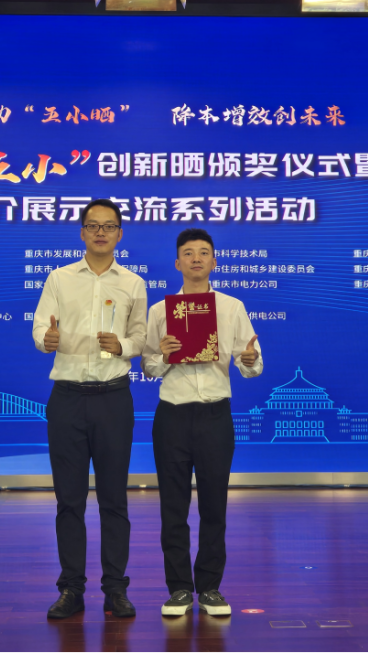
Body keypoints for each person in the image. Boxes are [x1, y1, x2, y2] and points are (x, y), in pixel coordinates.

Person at [32, 199, 147, 619]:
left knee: (114, 499)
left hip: (113, 398)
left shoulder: (133, 283)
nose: (101, 232)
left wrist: (124, 346)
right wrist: (45, 339)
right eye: (93, 226)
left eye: (109, 226)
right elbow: (40, 326)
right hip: (67, 398)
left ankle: (115, 588)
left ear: (120, 234)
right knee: (69, 500)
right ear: (82, 233)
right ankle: (71, 589)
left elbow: (141, 337)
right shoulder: (59, 278)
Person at [141, 228, 263, 617]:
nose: (196, 258)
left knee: (214, 505)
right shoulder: (160, 311)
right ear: (177, 263)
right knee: (172, 507)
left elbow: (253, 361)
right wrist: (164, 356)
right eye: (189, 253)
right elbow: (148, 366)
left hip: (214, 415)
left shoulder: (231, 307)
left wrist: (248, 361)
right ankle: (178, 589)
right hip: (172, 416)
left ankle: (210, 587)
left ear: (214, 261)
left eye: (204, 252)